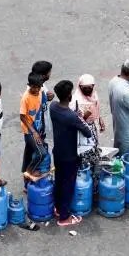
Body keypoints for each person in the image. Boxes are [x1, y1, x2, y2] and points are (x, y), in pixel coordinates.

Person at [48, 80, 93, 226]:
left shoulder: (53, 107)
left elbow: (67, 116)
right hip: (70, 156)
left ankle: (57, 207)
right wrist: (79, 117)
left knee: (59, 181)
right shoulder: (71, 117)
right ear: (69, 96)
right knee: (68, 185)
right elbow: (86, 132)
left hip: (58, 152)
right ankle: (64, 217)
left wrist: (75, 115)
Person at [20, 72, 50, 181]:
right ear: (29, 85)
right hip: (29, 131)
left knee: (29, 153)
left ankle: (26, 179)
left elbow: (41, 110)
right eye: (34, 87)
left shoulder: (41, 93)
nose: (37, 90)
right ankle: (29, 171)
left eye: (39, 87)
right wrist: (34, 132)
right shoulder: (25, 98)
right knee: (41, 153)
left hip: (38, 128)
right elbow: (22, 117)